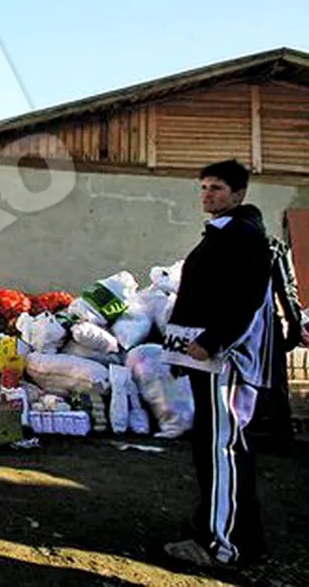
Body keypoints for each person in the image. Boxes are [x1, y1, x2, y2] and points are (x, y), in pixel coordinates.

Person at [161, 159, 278, 568]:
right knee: (221, 447)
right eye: (204, 187)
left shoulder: (243, 236)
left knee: (222, 449)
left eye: (217, 189)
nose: (208, 194)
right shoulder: (224, 233)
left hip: (224, 363)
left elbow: (246, 299)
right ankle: (234, 534)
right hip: (210, 359)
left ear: (239, 194)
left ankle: (221, 547)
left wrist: (212, 341)